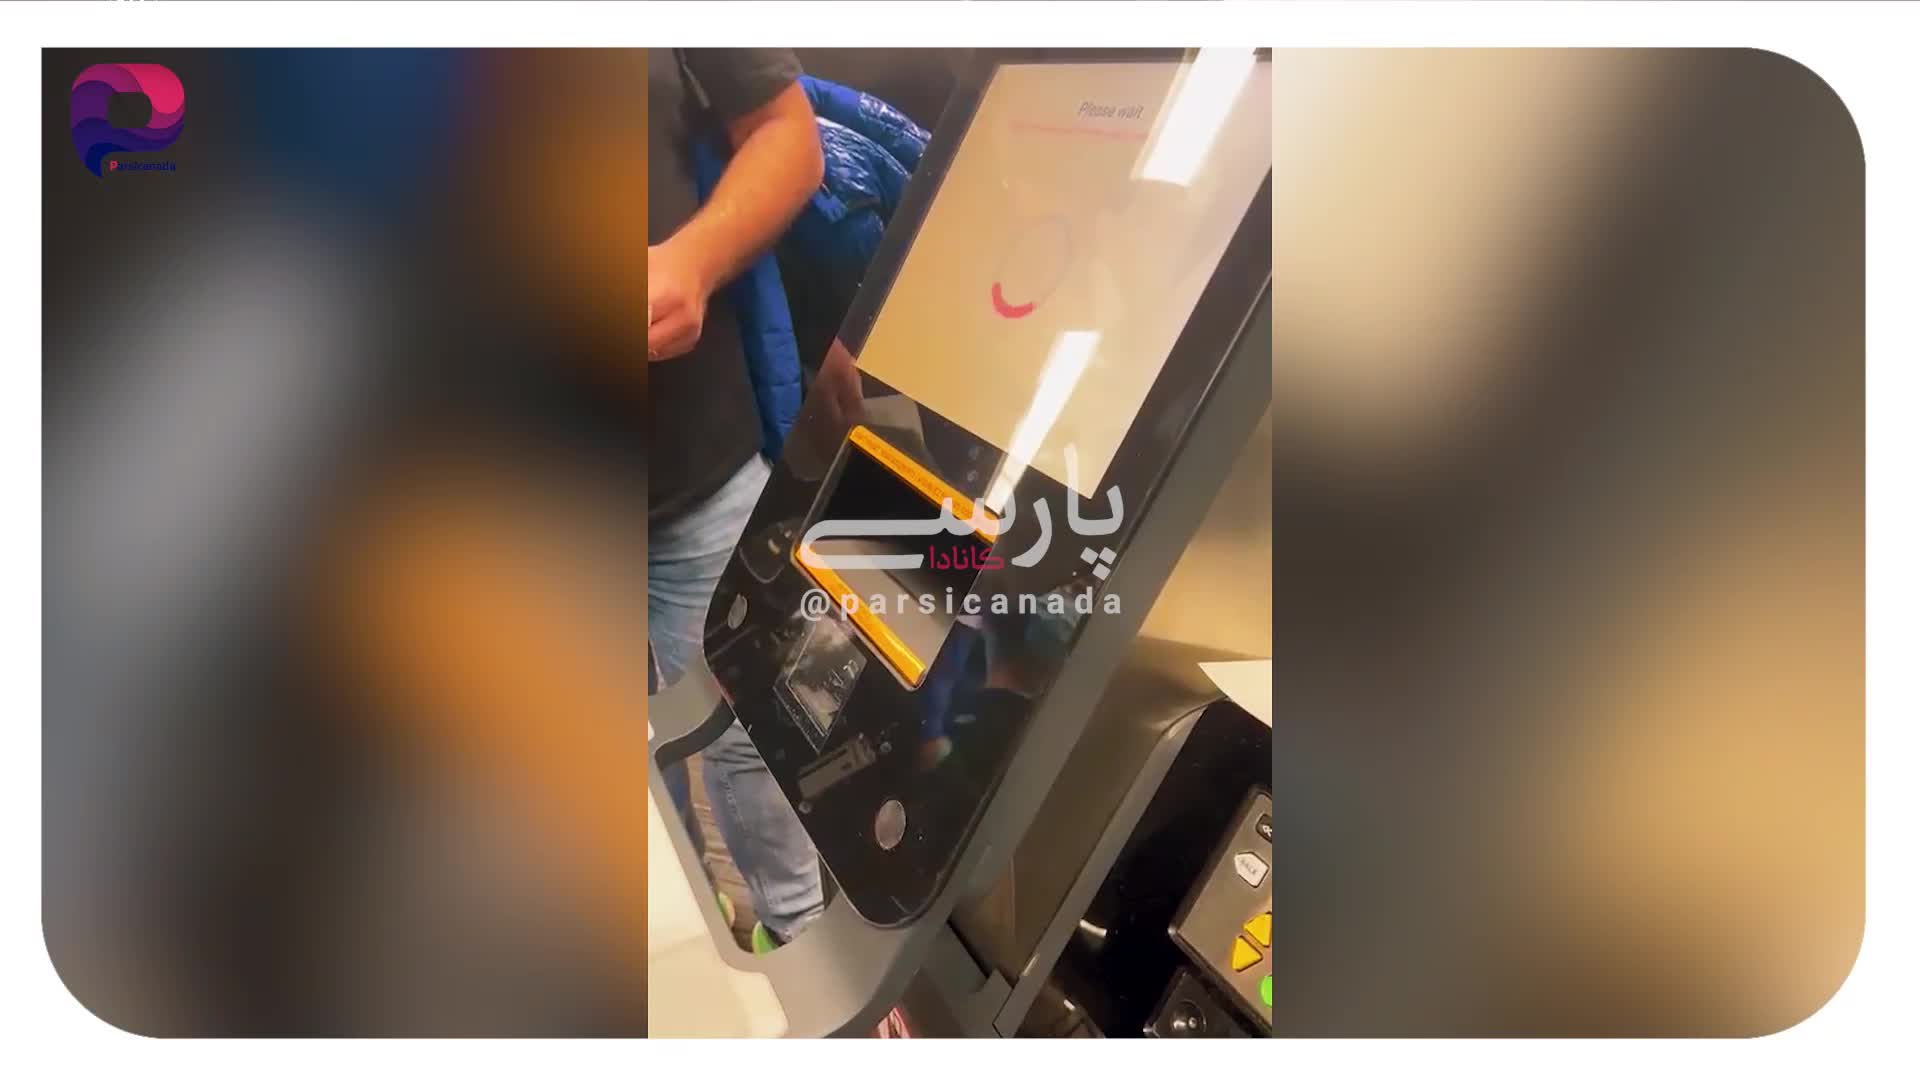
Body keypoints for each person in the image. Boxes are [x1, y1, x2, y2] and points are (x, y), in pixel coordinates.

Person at [647, 48, 828, 952]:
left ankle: (802, 943)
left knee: (766, 735)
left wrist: (692, 256)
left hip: (695, 466)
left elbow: (787, 132)